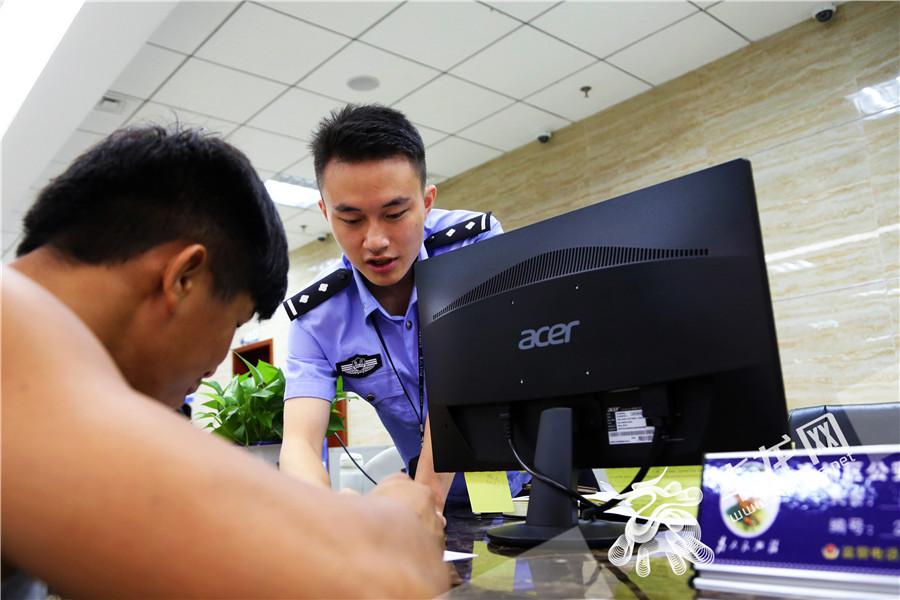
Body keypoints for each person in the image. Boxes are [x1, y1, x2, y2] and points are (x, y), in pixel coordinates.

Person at [1, 125, 448, 599]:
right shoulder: (15, 327)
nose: (214, 369)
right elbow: (364, 583)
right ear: (182, 279)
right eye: (233, 323)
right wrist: (398, 523)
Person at [279, 104, 529, 509]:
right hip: (427, 501)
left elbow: (462, 387)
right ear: (326, 213)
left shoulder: (475, 248)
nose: (375, 241)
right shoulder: (316, 319)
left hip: (515, 490)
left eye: (394, 214)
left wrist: (422, 506)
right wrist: (322, 519)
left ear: (426, 201)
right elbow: (300, 445)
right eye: (352, 220)